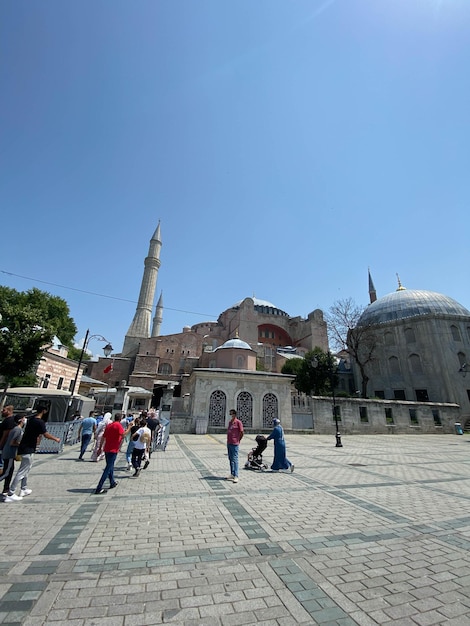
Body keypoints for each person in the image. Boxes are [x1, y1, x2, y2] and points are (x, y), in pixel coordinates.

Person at [4, 403, 61, 502]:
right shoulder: (40, 422)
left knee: (27, 469)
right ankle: (11, 493)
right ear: (44, 411)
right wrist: (56, 439)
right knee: (22, 471)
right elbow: (45, 434)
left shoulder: (31, 420)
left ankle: (23, 489)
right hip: (28, 448)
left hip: (26, 447)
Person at [94, 413, 131, 494]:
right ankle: (99, 487)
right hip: (113, 449)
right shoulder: (118, 425)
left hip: (107, 448)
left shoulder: (109, 425)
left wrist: (100, 448)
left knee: (110, 466)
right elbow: (123, 434)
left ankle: (112, 482)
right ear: (120, 419)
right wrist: (129, 427)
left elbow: (104, 437)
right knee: (108, 468)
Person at [226, 409, 243, 483]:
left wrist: (238, 440)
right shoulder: (230, 422)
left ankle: (236, 475)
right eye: (230, 414)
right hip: (229, 442)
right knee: (230, 458)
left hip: (235, 443)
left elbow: (242, 432)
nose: (231, 416)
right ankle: (232, 473)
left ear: (235, 415)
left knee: (235, 459)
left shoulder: (238, 422)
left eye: (232, 414)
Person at [0, 405, 15, 475]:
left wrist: (1, 445)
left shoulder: (9, 421)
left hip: (4, 446)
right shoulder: (6, 420)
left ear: (9, 411)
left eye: (4, 410)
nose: (2, 411)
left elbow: (5, 435)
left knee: (1, 465)